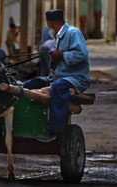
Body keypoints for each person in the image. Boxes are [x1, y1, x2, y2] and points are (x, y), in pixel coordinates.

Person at [24, 9, 90, 142]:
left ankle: (54, 130)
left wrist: (61, 55)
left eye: (49, 26)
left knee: (58, 87)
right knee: (30, 84)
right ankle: (29, 124)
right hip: (59, 77)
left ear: (52, 24)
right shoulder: (59, 36)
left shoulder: (73, 33)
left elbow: (82, 55)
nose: (49, 29)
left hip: (76, 78)